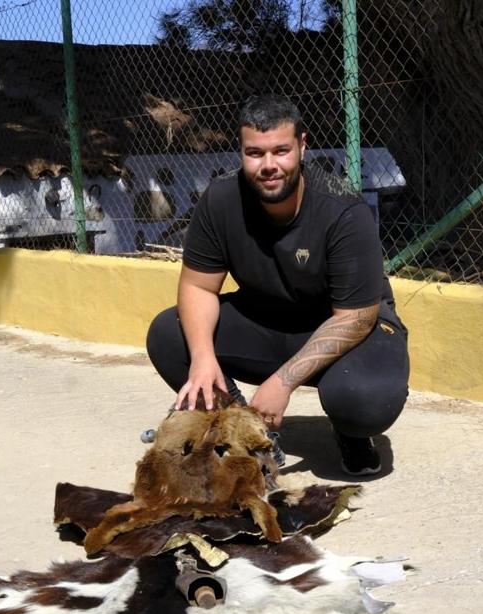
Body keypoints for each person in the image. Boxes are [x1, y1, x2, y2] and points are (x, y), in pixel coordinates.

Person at [145, 93, 409, 476]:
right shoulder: (220, 200)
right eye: (255, 153)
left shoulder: (342, 209)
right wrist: (203, 359)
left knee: (362, 401)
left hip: (351, 328)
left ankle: (351, 435)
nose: (268, 165)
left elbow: (354, 317)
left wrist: (282, 382)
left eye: (281, 151)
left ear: (302, 147)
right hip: (268, 321)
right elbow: (199, 288)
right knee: (169, 334)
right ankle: (245, 433)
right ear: (241, 152)